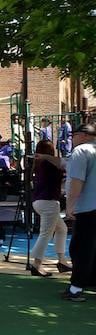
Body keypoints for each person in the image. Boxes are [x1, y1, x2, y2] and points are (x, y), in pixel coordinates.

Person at [61, 124, 96, 301]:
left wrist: (70, 206)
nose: (71, 139)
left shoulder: (81, 151)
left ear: (82, 135)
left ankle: (76, 289)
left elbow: (76, 181)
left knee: (81, 248)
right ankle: (90, 279)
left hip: (88, 208)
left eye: (72, 136)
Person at [29, 140, 70, 277]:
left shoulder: (39, 164)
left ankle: (62, 261)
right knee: (45, 234)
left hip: (39, 201)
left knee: (61, 229)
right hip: (49, 202)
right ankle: (36, 264)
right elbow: (65, 170)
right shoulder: (50, 165)